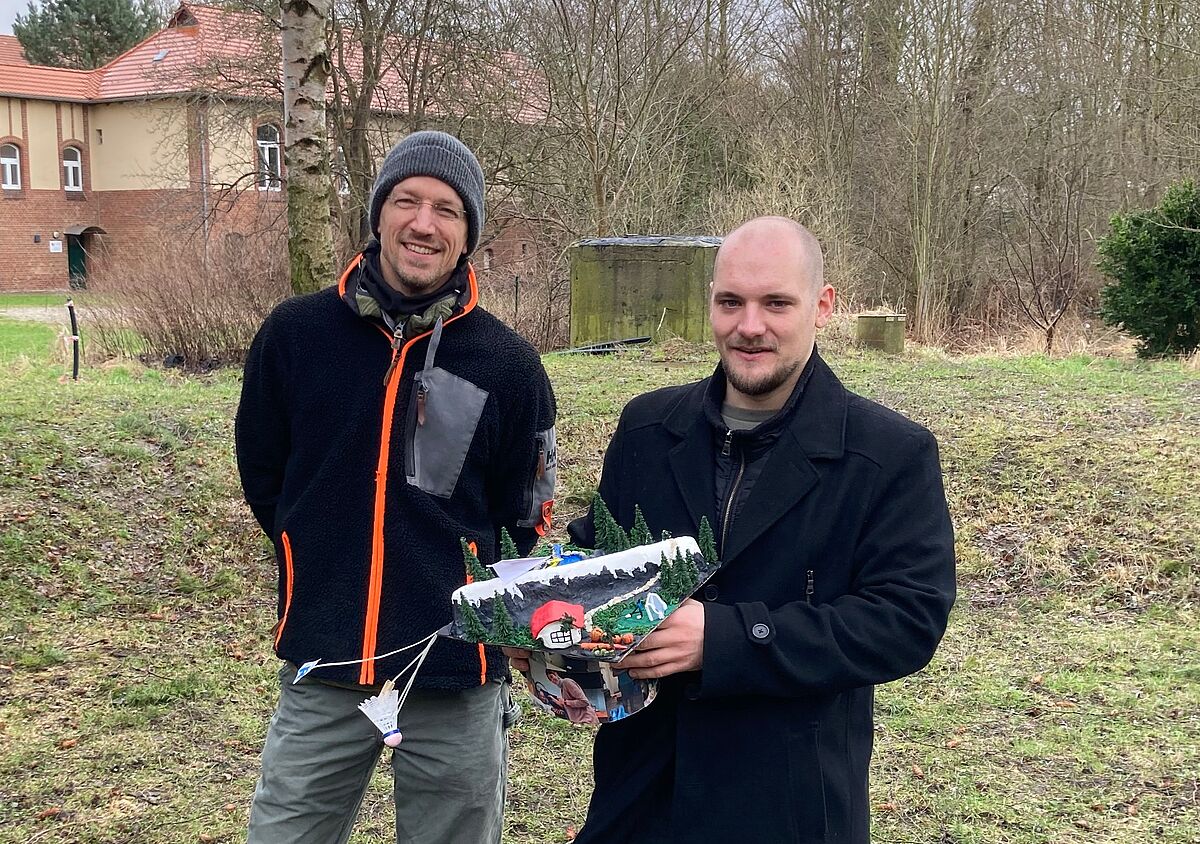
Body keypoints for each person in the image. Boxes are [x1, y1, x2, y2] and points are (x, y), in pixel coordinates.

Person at [512, 216, 955, 842]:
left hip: (790, 806)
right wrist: (539, 627)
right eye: (730, 302)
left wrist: (725, 640)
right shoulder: (647, 428)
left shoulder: (888, 454)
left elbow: (905, 623)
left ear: (822, 306)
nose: (750, 326)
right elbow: (600, 563)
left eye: (776, 303)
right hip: (641, 799)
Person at [236, 130, 557, 844]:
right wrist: (312, 554)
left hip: (458, 670)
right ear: (378, 213)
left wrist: (475, 602)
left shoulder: (508, 365)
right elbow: (265, 475)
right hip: (326, 656)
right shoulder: (295, 336)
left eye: (447, 209)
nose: (423, 223)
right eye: (407, 201)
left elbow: (527, 513)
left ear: (468, 234)